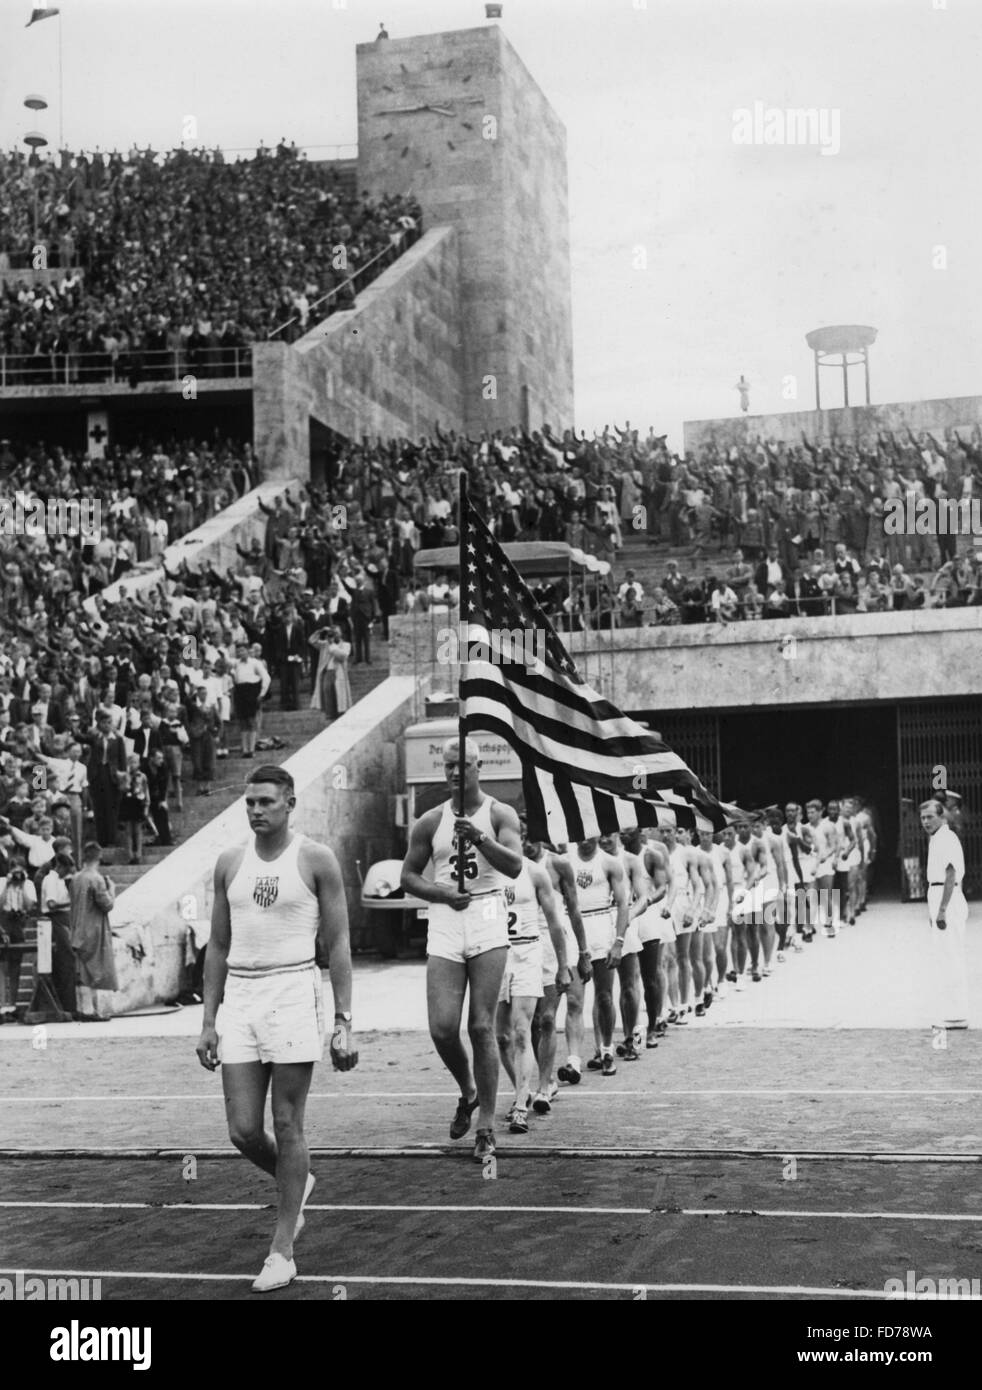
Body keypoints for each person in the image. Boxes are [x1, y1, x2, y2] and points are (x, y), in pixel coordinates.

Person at [195, 765, 357, 1293]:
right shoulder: (228, 862)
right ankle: (297, 1182)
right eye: (249, 803)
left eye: (266, 802)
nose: (256, 810)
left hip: (292, 990)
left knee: (287, 1124)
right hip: (240, 996)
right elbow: (217, 945)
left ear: (290, 803)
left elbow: (337, 946)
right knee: (243, 1130)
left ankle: (282, 1250)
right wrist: (208, 1021)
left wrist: (344, 1021)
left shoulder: (316, 859)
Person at [399, 737, 523, 1163]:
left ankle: (486, 1125)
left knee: (482, 1026)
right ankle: (468, 1088)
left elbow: (515, 866)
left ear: (478, 766)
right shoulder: (430, 820)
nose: (454, 773)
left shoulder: (499, 812)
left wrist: (480, 838)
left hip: (487, 912)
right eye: (448, 766)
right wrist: (439, 893)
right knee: (442, 1027)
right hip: (448, 916)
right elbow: (408, 876)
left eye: (463, 765)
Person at [495, 839, 569, 1134]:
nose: (517, 842)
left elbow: (554, 923)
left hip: (528, 952)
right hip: (497, 954)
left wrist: (563, 966)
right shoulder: (489, 874)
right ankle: (520, 1091)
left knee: (524, 1030)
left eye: (521, 837)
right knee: (501, 1037)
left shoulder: (536, 873)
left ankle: (520, 1105)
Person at [920, 798, 970, 1031]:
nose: (926, 821)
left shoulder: (947, 838)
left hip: (946, 897)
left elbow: (950, 875)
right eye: (923, 818)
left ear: (942, 816)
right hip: (938, 894)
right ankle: (950, 1010)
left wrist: (941, 910)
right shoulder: (936, 838)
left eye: (930, 817)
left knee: (951, 954)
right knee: (943, 954)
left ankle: (956, 1013)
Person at [69, 842, 118, 1021]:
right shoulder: (96, 879)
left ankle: (84, 1009)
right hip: (94, 929)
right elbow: (107, 904)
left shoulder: (76, 878)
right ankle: (92, 1011)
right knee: (95, 970)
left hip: (77, 928)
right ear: (99, 857)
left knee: (82, 970)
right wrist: (112, 889)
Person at [41, 851, 77, 1016]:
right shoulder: (51, 880)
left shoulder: (60, 880)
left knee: (68, 960)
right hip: (55, 921)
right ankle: (66, 1005)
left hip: (64, 920)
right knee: (65, 960)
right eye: (66, 869)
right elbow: (52, 903)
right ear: (60, 866)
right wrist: (72, 901)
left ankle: (70, 1004)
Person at [0, 864, 37, 1022]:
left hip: (18, 922)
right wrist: (7, 885)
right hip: (4, 919)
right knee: (2, 967)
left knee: (16, 966)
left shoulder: (27, 884)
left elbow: (29, 906)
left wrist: (22, 887)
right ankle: (2, 1005)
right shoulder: (2, 882)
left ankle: (13, 1005)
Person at [231, 642, 271, 759]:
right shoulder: (236, 664)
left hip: (251, 691)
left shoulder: (255, 663)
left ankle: (251, 749)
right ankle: (245, 749)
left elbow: (266, 677)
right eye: (238, 651)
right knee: (243, 722)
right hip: (240, 692)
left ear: (248, 651)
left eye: (242, 650)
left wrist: (262, 693)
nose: (240, 653)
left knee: (251, 721)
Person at [309, 625, 352, 720]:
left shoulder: (346, 645)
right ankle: (330, 715)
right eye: (333, 633)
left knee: (339, 695)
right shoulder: (325, 645)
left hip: (339, 674)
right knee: (327, 694)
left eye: (337, 633)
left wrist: (332, 645)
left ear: (341, 634)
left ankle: (340, 714)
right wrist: (321, 631)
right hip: (327, 673)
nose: (335, 635)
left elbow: (343, 656)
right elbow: (312, 640)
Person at [119, 753, 150, 865]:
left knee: (137, 830)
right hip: (127, 803)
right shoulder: (124, 776)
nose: (133, 765)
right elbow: (121, 789)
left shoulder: (142, 776)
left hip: (138, 803)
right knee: (128, 831)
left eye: (135, 762)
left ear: (139, 764)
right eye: (131, 762)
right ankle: (130, 854)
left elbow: (146, 791)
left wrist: (146, 806)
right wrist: (126, 782)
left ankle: (138, 854)